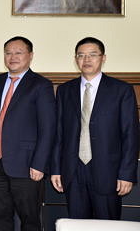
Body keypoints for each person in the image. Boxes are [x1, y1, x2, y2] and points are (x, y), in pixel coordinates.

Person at [51, 37, 139, 219]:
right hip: (73, 170)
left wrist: (127, 173)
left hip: (109, 172)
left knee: (107, 225)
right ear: (75, 59)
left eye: (92, 55)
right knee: (77, 225)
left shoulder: (121, 90)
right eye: (81, 55)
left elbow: (130, 135)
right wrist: (56, 169)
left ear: (103, 58)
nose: (86, 60)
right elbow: (59, 133)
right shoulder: (65, 90)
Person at [0, 36, 56, 231]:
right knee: (0, 216)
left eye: (18, 52)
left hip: (28, 166)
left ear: (30, 56)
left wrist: (40, 164)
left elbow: (48, 129)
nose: (12, 57)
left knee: (29, 219)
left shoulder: (41, 85)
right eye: (8, 53)